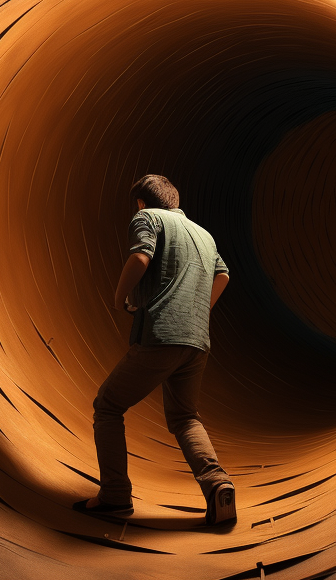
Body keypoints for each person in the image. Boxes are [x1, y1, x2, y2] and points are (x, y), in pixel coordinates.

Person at [72, 174, 236, 526]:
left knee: (108, 405)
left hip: (161, 335)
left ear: (141, 203)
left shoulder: (147, 218)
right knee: (185, 417)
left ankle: (115, 496)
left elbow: (141, 257)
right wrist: (198, 310)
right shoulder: (203, 234)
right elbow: (223, 275)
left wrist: (119, 299)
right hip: (197, 342)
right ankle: (217, 484)